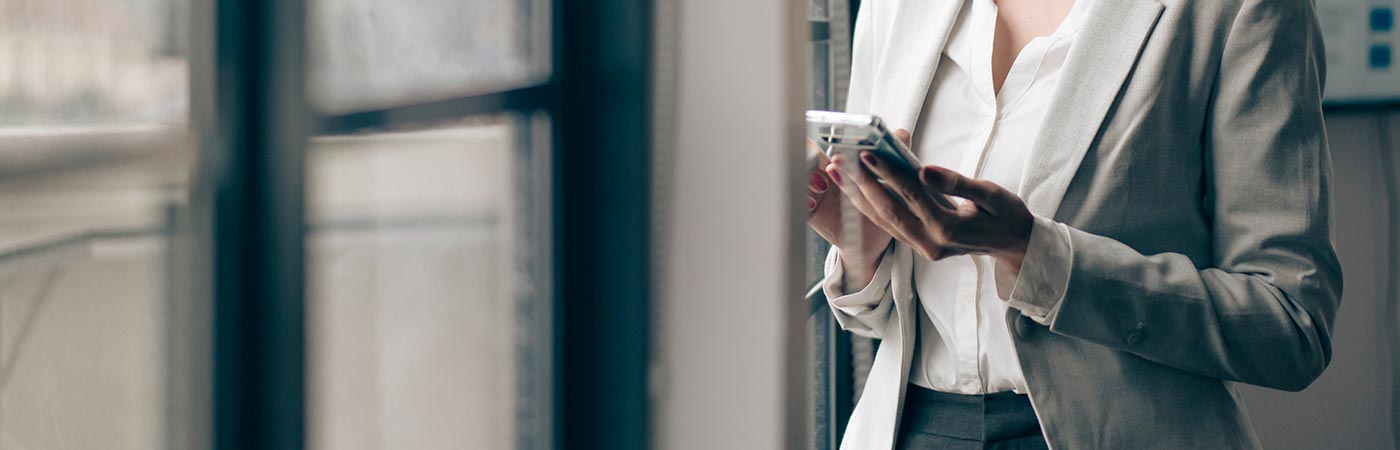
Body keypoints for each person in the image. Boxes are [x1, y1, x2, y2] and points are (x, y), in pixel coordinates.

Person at [804, 0, 1342, 448]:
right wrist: (863, 246)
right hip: (910, 431)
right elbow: (880, 319)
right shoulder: (896, 6)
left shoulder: (1237, 10)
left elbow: (1291, 324)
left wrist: (1038, 257)